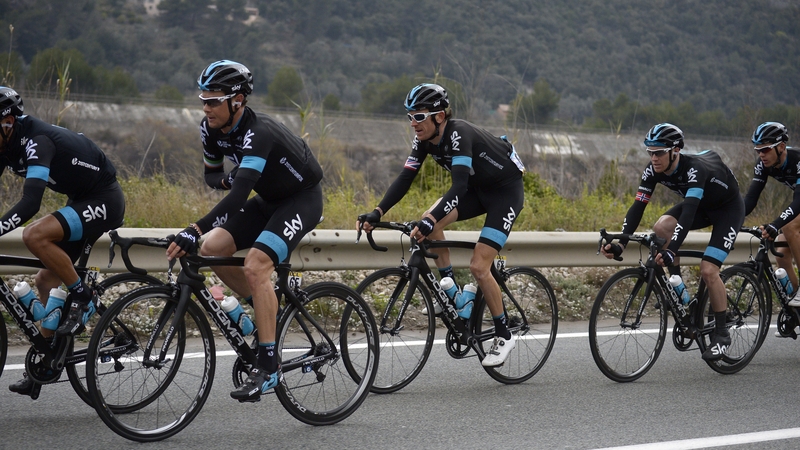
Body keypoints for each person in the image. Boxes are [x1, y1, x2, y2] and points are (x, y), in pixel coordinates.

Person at [166, 60, 323, 402]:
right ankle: (266, 306)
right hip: (268, 199)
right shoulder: (208, 129)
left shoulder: (258, 131)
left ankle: (269, 367)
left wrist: (193, 227)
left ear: (237, 101)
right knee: (211, 248)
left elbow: (238, 198)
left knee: (255, 265)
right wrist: (226, 179)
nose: (206, 108)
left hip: (301, 199)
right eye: (203, 100)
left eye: (213, 101)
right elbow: (213, 177)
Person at [356, 83, 526, 367]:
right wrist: (377, 211)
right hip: (477, 189)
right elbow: (405, 177)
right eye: (410, 116)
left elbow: (458, 186)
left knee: (478, 266)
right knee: (429, 220)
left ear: (439, 116)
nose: (413, 123)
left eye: (419, 116)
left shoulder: (459, 134)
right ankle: (455, 296)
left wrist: (430, 219)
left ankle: (503, 332)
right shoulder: (423, 140)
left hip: (504, 193)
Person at [0, 86, 125, 395]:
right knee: (44, 281)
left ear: (7, 122)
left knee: (34, 235)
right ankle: (46, 362)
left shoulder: (37, 142)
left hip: (104, 198)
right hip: (80, 198)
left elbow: (30, 204)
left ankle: (82, 295)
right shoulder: (5, 143)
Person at [600, 123, 744, 361]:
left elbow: (687, 214)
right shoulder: (653, 169)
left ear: (675, 151)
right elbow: (638, 207)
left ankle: (721, 334)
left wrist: (671, 250)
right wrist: (621, 244)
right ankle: (677, 287)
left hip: (727, 210)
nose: (653, 158)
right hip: (702, 207)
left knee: (708, 270)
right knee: (661, 227)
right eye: (650, 152)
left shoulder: (694, 169)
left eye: (659, 152)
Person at [743, 122, 800, 311]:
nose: (761, 154)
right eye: (758, 149)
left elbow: (799, 202)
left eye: (765, 149)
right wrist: (731, 219)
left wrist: (775, 224)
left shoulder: (797, 161)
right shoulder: (763, 164)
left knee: (789, 226)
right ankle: (796, 307)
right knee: (781, 252)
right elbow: (750, 200)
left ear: (781, 146)